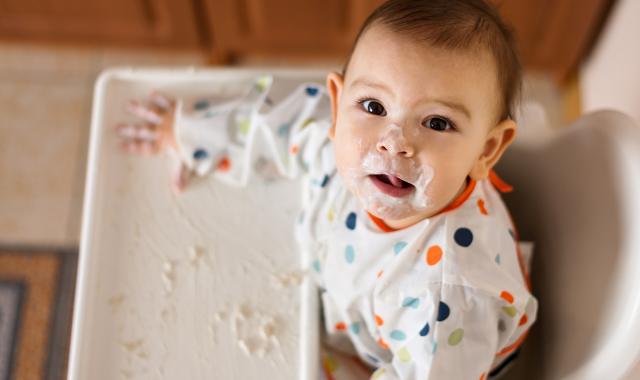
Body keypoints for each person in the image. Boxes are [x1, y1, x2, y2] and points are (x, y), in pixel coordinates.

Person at [117, 0, 538, 378]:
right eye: (374, 106)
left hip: (409, 358)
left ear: (486, 149)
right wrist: (188, 132)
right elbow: (273, 124)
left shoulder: (448, 298)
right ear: (338, 104)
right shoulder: (334, 136)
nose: (394, 142)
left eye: (437, 122)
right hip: (341, 297)